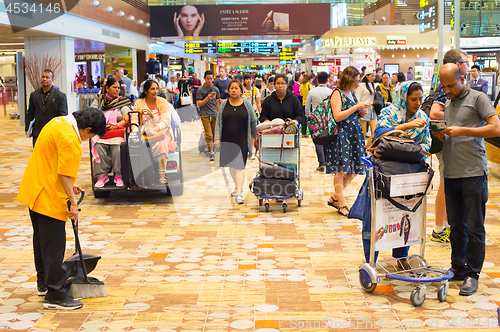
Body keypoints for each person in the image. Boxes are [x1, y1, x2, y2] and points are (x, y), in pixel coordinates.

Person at [17, 107, 106, 310]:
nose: (87, 139)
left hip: (35, 188)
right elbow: (64, 174)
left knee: (41, 242)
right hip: (48, 196)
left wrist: (69, 188)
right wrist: (73, 203)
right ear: (87, 128)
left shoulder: (57, 123)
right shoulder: (70, 139)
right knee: (54, 246)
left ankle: (44, 284)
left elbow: (52, 161)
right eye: (90, 135)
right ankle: (55, 294)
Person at [433, 63, 500, 296]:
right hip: (451, 174)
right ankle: (458, 267)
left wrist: (463, 131)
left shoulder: (478, 98)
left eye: (451, 85)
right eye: (444, 86)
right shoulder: (449, 103)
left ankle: (473, 273)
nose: (447, 90)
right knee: (456, 226)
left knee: (474, 226)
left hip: (473, 173)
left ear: (463, 79)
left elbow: (495, 128)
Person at [360, 81, 430, 267]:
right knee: (377, 216)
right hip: (384, 173)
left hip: (409, 174)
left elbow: (426, 144)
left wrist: (410, 150)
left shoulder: (423, 117)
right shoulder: (389, 113)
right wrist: (406, 128)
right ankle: (371, 261)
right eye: (413, 99)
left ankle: (401, 257)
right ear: (403, 97)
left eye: (420, 99)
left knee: (406, 213)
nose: (417, 103)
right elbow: (379, 134)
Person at [429, 48, 470, 243]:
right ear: (457, 65)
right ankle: (439, 228)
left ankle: (445, 225)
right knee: (445, 184)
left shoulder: (452, 84)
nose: (468, 66)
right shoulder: (446, 86)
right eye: (465, 62)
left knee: (449, 184)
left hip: (451, 141)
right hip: (445, 141)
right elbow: (434, 113)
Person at [326, 66, 370, 217]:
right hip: (341, 135)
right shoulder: (337, 93)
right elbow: (337, 116)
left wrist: (360, 111)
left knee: (356, 167)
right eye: (356, 81)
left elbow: (351, 113)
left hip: (353, 134)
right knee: (340, 170)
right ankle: (341, 204)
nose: (357, 84)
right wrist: (356, 107)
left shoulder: (351, 93)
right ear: (349, 80)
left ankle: (335, 197)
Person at [214, 80, 257, 205]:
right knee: (231, 166)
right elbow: (219, 122)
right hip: (227, 139)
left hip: (242, 139)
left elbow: (253, 121)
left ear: (240, 90)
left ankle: (239, 193)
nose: (234, 90)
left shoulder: (247, 104)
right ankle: (237, 186)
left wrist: (257, 137)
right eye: (231, 88)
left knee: (240, 165)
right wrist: (217, 138)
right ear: (228, 90)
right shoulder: (224, 105)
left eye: (236, 88)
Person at [91, 76, 131, 188]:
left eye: (118, 88)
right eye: (114, 87)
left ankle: (119, 176)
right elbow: (93, 114)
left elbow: (127, 117)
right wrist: (102, 124)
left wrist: (116, 126)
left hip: (117, 133)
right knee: (98, 146)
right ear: (107, 88)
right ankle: (102, 176)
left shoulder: (122, 100)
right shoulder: (99, 100)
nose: (117, 90)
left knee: (117, 148)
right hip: (102, 132)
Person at [133, 80, 176, 184]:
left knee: (161, 144)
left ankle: (162, 174)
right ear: (146, 91)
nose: (155, 91)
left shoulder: (162, 102)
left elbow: (166, 120)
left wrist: (155, 129)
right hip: (144, 133)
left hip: (162, 132)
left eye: (157, 88)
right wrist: (137, 132)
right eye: (152, 89)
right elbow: (134, 121)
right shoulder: (139, 103)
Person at [25, 69, 68, 147]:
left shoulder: (60, 96)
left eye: (47, 77)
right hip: (38, 132)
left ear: (52, 80)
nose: (44, 79)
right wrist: (27, 128)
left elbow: (63, 116)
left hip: (53, 132)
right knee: (38, 157)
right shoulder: (34, 95)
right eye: (43, 77)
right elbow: (30, 113)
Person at [304, 72, 333, 172]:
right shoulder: (330, 92)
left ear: (317, 80)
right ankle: (328, 162)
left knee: (318, 140)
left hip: (315, 119)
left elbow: (307, 108)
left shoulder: (312, 92)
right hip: (327, 119)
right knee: (328, 139)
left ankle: (321, 163)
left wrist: (308, 118)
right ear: (327, 80)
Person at [196, 70, 220, 161]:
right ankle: (211, 153)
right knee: (209, 135)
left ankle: (213, 149)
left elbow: (217, 103)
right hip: (204, 114)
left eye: (211, 78)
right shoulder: (200, 90)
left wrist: (218, 113)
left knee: (214, 135)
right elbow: (199, 104)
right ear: (204, 78)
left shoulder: (216, 89)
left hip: (214, 114)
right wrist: (207, 98)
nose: (209, 80)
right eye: (207, 78)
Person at [355, 68, 377, 139]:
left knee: (375, 131)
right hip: (364, 109)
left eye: (374, 76)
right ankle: (364, 149)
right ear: (366, 76)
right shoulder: (360, 85)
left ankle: (369, 148)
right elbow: (357, 98)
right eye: (372, 76)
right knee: (363, 133)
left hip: (372, 108)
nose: (373, 78)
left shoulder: (371, 84)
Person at [299, 73, 313, 137]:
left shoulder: (301, 86)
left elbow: (301, 94)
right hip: (310, 103)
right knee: (311, 118)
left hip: (303, 103)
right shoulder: (309, 85)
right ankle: (312, 131)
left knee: (304, 119)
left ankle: (304, 133)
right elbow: (313, 93)